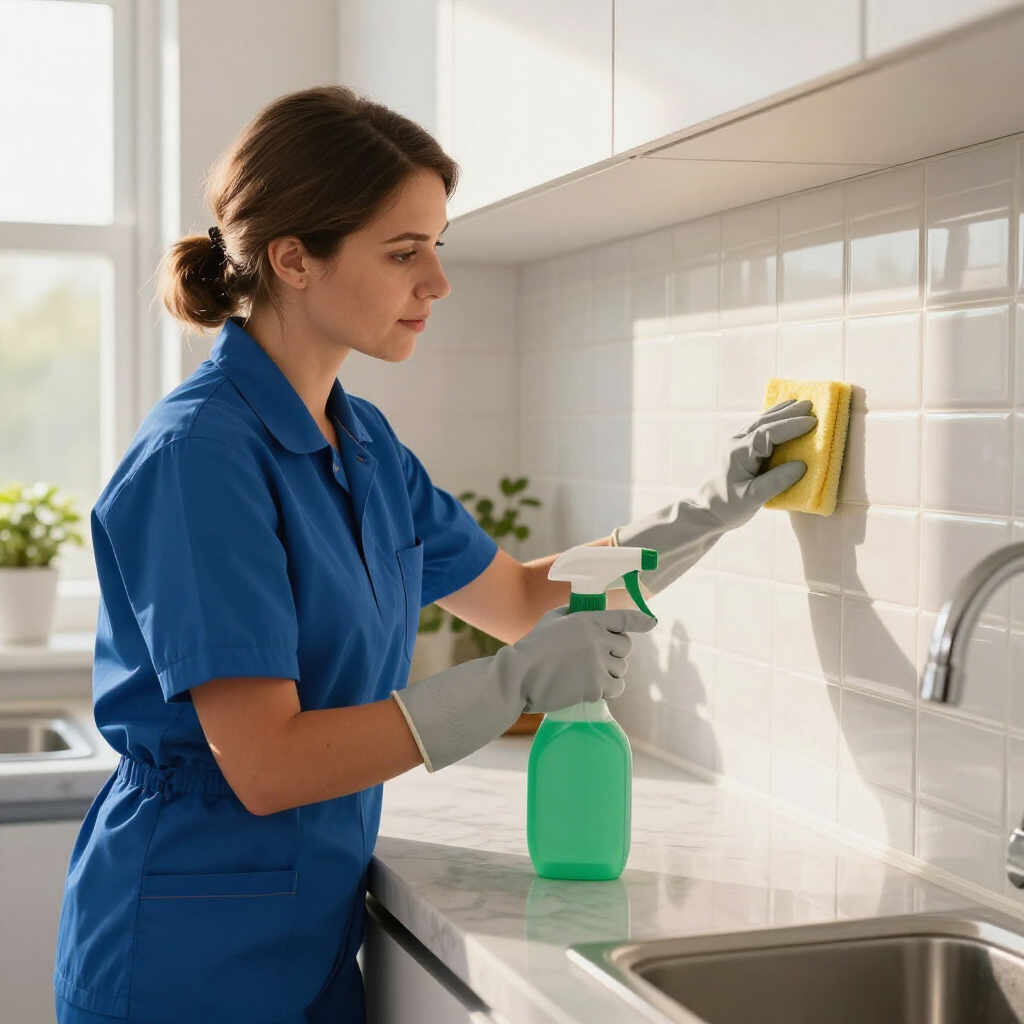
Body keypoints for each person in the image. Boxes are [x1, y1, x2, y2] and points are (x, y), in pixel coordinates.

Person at [53, 86, 815, 1024]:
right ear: (293, 258)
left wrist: (710, 509)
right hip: (184, 955)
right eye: (404, 252)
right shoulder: (199, 461)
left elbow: (524, 600)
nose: (438, 283)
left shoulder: (360, 443)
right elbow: (267, 765)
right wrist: (509, 690)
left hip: (312, 938)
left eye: (436, 247)